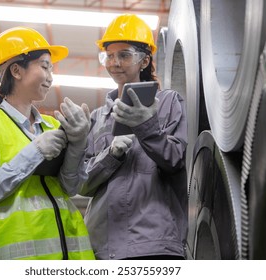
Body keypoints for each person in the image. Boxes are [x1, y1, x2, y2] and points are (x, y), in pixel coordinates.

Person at [0, 26, 95, 260]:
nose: (51, 77)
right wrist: (36, 150)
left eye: (52, 69)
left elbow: (70, 188)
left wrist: (79, 142)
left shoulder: (52, 126)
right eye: (44, 66)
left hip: (71, 257)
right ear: (16, 71)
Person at [79, 14, 188, 260]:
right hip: (102, 247)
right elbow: (82, 184)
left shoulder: (168, 103)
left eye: (124, 55)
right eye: (109, 55)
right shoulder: (98, 117)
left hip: (153, 244)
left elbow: (175, 160)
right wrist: (111, 155)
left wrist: (146, 126)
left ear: (144, 60)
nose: (114, 62)